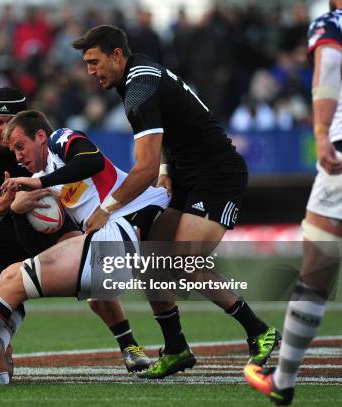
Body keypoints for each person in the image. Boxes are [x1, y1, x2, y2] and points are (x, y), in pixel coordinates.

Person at [71, 25, 280, 378]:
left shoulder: (138, 89)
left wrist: (105, 208)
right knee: (149, 251)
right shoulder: (139, 73)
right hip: (186, 173)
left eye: (95, 62)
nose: (90, 71)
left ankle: (259, 330)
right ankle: (178, 348)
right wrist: (168, 168)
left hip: (217, 175)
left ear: (117, 55)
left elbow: (144, 167)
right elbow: (169, 129)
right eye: (87, 64)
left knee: (182, 260)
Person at [0, 89, 149, 372]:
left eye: (10, 121)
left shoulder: (49, 145)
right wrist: (8, 204)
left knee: (93, 274)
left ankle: (128, 344)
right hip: (4, 226)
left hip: (55, 223)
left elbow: (83, 167)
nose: (4, 130)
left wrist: (40, 191)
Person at [0, 111, 169, 376]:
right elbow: (38, 250)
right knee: (91, 294)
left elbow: (90, 161)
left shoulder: (60, 140)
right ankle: (133, 347)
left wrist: (38, 182)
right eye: (14, 152)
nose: (19, 157)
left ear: (41, 136)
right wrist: (19, 212)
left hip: (124, 232)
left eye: (21, 147)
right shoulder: (49, 184)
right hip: (114, 246)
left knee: (12, 279)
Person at [244, 2, 342, 405]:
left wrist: (320, 131)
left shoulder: (332, 21)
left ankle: (283, 379)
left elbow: (330, 65)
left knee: (316, 272)